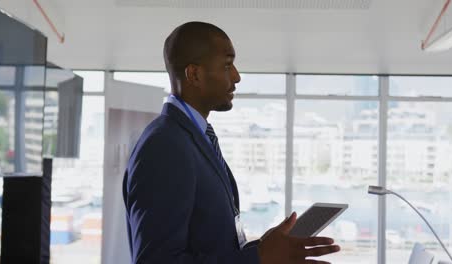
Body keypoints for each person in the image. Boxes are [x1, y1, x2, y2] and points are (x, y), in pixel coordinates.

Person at [123, 21, 341, 264]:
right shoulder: (165, 145)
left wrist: (263, 248)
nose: (236, 76)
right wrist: (259, 258)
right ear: (194, 74)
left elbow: (208, 244)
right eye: (227, 65)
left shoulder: (193, 137)